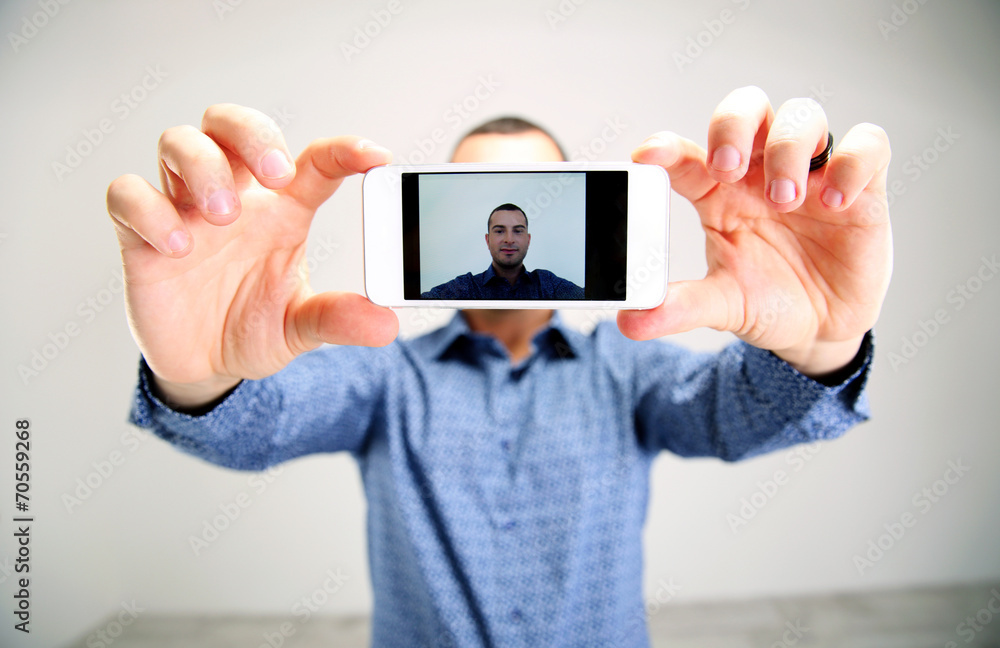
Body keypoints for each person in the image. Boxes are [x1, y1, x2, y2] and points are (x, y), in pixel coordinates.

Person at [106, 86, 892, 648]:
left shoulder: (627, 368)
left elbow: (739, 414)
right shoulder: (385, 375)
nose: (512, 233)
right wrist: (199, 371)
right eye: (494, 214)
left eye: (529, 214)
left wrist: (819, 342)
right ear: (483, 234)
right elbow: (258, 424)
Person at [420, 202, 585, 299]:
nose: (509, 239)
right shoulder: (468, 286)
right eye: (499, 231)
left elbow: (589, 295)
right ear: (487, 240)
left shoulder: (547, 283)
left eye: (518, 231)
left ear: (528, 240)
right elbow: (421, 299)